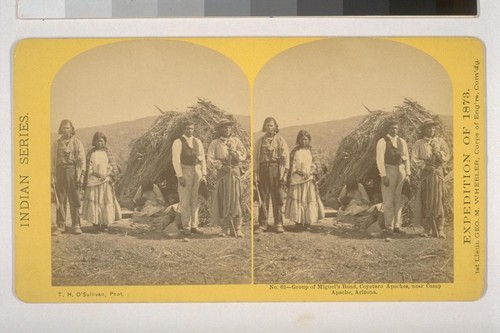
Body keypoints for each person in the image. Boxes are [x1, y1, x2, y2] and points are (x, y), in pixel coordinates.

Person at [207, 119, 247, 238]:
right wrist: (220, 166)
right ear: (219, 130)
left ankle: (238, 228)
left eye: (229, 127)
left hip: (234, 172)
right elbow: (210, 158)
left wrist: (236, 154)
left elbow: (244, 154)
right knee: (223, 198)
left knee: (235, 198)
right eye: (224, 128)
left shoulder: (236, 141)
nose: (227, 130)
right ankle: (224, 228)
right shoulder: (215, 143)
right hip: (223, 174)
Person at [411, 119, 450, 238]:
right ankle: (427, 228)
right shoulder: (419, 143)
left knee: (439, 199)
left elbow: (447, 155)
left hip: (438, 173)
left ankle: (440, 228)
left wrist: (439, 154)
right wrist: (425, 166)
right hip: (426, 174)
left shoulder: (440, 142)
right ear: (423, 130)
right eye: (428, 128)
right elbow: (414, 159)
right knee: (426, 198)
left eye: (433, 128)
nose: (431, 130)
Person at [254, 117, 289, 233]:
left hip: (276, 170)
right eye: (267, 125)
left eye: (271, 125)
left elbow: (285, 158)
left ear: (275, 127)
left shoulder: (280, 140)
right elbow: (255, 158)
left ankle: (278, 223)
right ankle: (263, 224)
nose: (269, 128)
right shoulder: (259, 141)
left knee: (277, 197)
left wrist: (284, 174)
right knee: (263, 198)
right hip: (263, 170)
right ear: (264, 127)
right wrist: (255, 173)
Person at [284, 130, 325, 231]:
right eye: (301, 139)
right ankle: (298, 221)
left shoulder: (312, 151)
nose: (304, 141)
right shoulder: (294, 152)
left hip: (309, 179)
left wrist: (311, 173)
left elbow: (316, 164)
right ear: (298, 140)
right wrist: (300, 173)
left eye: (306, 139)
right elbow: (291, 165)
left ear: (309, 140)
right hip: (297, 179)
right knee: (297, 199)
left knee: (308, 200)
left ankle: (307, 222)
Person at [82, 131, 122, 233]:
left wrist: (107, 174)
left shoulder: (108, 153)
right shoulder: (91, 154)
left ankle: (104, 223)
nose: (100, 143)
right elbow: (89, 168)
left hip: (105, 180)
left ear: (105, 142)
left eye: (102, 141)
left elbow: (112, 166)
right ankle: (95, 224)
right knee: (95, 202)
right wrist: (98, 174)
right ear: (94, 142)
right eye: (97, 141)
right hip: (94, 181)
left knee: (105, 201)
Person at [172, 120, 207, 235]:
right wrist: (180, 175)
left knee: (195, 199)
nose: (190, 130)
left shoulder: (197, 142)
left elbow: (202, 158)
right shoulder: (178, 142)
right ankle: (186, 226)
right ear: (183, 130)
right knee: (185, 200)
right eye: (187, 128)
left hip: (197, 170)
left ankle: (194, 225)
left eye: (191, 128)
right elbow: (176, 160)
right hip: (185, 170)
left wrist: (204, 173)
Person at [51, 119, 86, 235]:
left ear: (72, 129)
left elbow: (82, 160)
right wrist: (52, 176)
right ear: (60, 129)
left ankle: (76, 225)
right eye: (63, 127)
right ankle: (61, 226)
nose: (65, 129)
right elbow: (52, 161)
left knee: (75, 199)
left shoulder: (77, 143)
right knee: (60, 200)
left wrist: (81, 176)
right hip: (60, 172)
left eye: (68, 127)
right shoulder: (56, 144)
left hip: (73, 172)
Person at [375, 120, 411, 234]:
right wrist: (383, 175)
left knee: (398, 199)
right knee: (388, 200)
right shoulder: (382, 142)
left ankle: (397, 225)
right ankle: (389, 226)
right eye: (392, 128)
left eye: (396, 128)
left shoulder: (402, 142)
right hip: (389, 169)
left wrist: (408, 173)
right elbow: (380, 159)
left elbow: (407, 157)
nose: (394, 130)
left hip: (400, 170)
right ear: (387, 129)